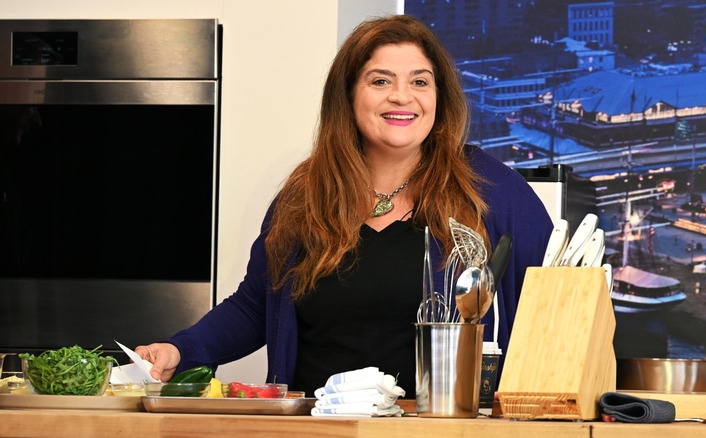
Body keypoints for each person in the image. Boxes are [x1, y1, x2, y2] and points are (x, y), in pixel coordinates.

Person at [135, 15, 553, 397]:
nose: (402, 97)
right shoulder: (306, 192)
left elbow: (555, 300)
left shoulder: (490, 188)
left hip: (435, 429)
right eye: (380, 81)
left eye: (420, 82)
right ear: (349, 95)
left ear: (440, 98)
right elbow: (256, 304)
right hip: (317, 426)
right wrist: (181, 349)